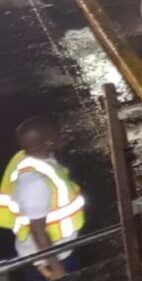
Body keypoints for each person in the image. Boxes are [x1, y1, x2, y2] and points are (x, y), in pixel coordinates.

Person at [0, 116, 85, 281]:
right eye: (58, 134)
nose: (62, 135)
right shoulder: (34, 183)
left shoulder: (27, 156)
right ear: (48, 143)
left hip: (57, 251)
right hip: (50, 260)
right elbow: (37, 230)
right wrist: (56, 269)